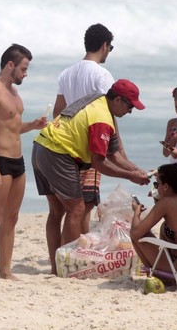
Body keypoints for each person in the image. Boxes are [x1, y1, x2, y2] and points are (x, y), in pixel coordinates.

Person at [31, 79, 150, 275]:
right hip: (58, 153)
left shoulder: (99, 102)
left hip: (42, 146)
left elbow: (115, 154)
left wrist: (136, 170)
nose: (131, 111)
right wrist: (130, 176)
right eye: (130, 106)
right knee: (76, 209)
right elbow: (99, 163)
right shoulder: (101, 119)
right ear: (118, 100)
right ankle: (67, 268)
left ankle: (56, 268)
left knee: (56, 211)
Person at [0, 43, 48, 282]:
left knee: (12, 217)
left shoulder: (15, 93)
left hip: (18, 162)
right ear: (10, 65)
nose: (25, 74)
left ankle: (5, 270)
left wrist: (34, 125)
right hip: (0, 161)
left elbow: (14, 127)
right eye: (24, 69)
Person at [52, 23, 127, 235]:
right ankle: (78, 252)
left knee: (68, 209)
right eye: (110, 48)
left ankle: (62, 256)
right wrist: (119, 151)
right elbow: (108, 115)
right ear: (105, 45)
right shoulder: (102, 75)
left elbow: (58, 112)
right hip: (90, 145)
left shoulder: (66, 73)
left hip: (66, 145)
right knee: (84, 206)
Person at [130, 163, 177, 272]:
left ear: (166, 186)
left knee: (137, 235)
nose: (156, 187)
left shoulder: (166, 203)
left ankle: (154, 273)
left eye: (157, 184)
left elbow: (136, 233)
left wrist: (136, 213)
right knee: (164, 227)